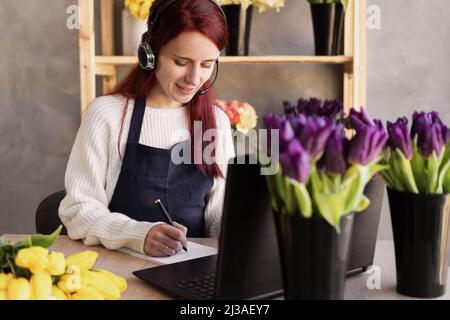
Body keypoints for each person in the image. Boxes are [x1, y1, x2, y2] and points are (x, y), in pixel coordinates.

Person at [59, 0, 235, 257]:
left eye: (207, 65)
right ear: (150, 53)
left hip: (192, 271)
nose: (194, 78)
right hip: (118, 269)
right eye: (181, 61)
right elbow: (78, 210)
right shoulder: (107, 115)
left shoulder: (216, 121)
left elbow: (218, 212)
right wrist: (137, 234)